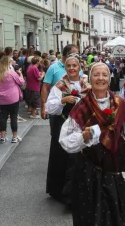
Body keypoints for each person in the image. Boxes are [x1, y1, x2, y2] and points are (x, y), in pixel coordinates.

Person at [59, 62, 125, 226]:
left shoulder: (121, 104)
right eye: (96, 75)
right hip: (90, 173)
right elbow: (65, 140)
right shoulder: (81, 106)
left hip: (118, 171)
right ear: (90, 78)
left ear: (109, 79)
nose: (100, 78)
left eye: (104, 74)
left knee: (121, 215)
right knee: (93, 218)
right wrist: (84, 136)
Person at [45, 54, 89, 204]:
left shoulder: (86, 84)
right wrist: (63, 100)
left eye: (74, 66)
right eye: (68, 66)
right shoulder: (60, 85)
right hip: (63, 125)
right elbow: (50, 107)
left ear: (79, 67)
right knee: (63, 157)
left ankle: (81, 191)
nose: (71, 68)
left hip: (82, 126)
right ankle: (63, 193)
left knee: (81, 158)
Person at [41, 44, 79, 120]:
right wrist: (43, 107)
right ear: (68, 55)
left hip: (76, 111)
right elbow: (45, 87)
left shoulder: (78, 67)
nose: (78, 56)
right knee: (57, 130)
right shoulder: (53, 67)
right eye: (76, 54)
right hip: (57, 109)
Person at [0, 56, 25, 144]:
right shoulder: (11, 73)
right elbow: (21, 82)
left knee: (3, 117)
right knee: (13, 117)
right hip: (12, 98)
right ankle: (14, 137)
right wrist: (20, 74)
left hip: (1, 98)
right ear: (8, 63)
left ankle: (3, 137)